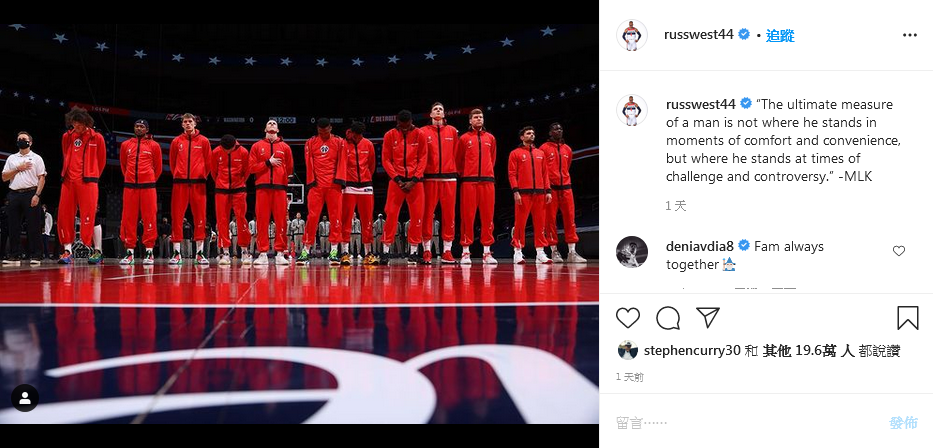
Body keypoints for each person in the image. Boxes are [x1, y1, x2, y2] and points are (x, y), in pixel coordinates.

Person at [58, 106, 106, 264]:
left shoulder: (97, 138)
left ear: (86, 122)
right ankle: (67, 251)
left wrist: (92, 175)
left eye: (79, 124)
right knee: (65, 215)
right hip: (68, 182)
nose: (76, 126)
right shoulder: (67, 137)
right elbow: (66, 155)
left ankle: (97, 251)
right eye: (74, 123)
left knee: (91, 215)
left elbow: (101, 161)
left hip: (88, 182)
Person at [381, 110, 428, 265]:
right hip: (396, 182)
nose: (405, 128)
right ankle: (385, 251)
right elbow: (386, 159)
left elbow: (423, 158)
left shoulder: (420, 134)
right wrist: (397, 179)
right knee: (391, 216)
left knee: (417, 217)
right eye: (402, 126)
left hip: (416, 182)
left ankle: (413, 252)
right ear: (398, 123)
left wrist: (414, 180)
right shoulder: (390, 135)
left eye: (407, 126)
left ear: (411, 122)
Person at [299, 118, 347, 266]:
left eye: (325, 131)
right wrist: (311, 182)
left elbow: (343, 161)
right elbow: (308, 163)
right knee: (312, 218)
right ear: (317, 130)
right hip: (316, 187)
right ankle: (305, 251)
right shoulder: (310, 142)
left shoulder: (339, 142)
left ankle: (334, 251)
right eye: (320, 132)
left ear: (330, 128)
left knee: (336, 217)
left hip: (334, 186)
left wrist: (340, 181)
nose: (323, 134)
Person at [540, 123, 586, 263]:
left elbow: (567, 166)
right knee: (550, 221)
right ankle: (554, 251)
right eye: (555, 129)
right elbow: (542, 170)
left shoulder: (568, 149)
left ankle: (572, 252)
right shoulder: (543, 148)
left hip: (566, 188)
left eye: (560, 129)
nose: (559, 131)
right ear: (550, 132)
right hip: (551, 190)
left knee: (570, 219)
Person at [169, 113, 212, 265]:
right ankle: (176, 253)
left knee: (200, 217)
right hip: (180, 184)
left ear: (195, 123)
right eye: (185, 122)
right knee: (177, 217)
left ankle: (199, 253)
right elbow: (172, 162)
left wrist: (201, 176)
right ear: (182, 124)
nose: (188, 124)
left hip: (198, 184)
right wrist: (178, 175)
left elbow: (208, 162)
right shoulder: (176, 141)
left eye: (190, 121)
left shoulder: (204, 141)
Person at [249, 119, 293, 266]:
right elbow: (251, 168)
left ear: (278, 130)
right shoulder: (256, 146)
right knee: (262, 221)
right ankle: (262, 253)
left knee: (281, 221)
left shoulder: (285, 147)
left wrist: (282, 179)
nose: (272, 124)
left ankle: (280, 253)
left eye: (274, 123)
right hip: (262, 188)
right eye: (269, 123)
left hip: (280, 189)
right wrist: (268, 163)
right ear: (265, 129)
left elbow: (290, 169)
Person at [419, 102, 459, 264]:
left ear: (444, 114)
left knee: (449, 215)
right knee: (427, 214)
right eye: (435, 109)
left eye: (440, 109)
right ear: (430, 114)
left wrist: (453, 169)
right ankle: (427, 250)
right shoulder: (422, 132)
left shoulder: (452, 131)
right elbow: (421, 154)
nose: (438, 111)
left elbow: (457, 152)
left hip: (449, 178)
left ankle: (447, 251)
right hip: (429, 178)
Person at [119, 119, 162, 265]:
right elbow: (123, 165)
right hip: (130, 187)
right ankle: (129, 252)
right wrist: (130, 178)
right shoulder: (125, 145)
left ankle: (149, 251)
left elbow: (158, 167)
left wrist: (149, 179)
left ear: (147, 130)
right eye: (137, 126)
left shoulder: (154, 146)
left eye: (142, 126)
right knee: (128, 219)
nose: (139, 128)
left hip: (148, 187)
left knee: (150, 218)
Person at [457, 109, 497, 264]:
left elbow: (492, 158)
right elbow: (458, 159)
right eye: (475, 117)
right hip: (469, 182)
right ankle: (465, 252)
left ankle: (487, 252)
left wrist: (487, 172)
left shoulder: (490, 138)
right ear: (470, 120)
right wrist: (467, 173)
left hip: (487, 181)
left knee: (488, 217)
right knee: (467, 217)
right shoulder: (464, 138)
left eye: (481, 117)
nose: (479, 119)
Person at [508, 126, 552, 264]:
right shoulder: (515, 153)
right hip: (523, 193)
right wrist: (516, 191)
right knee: (520, 224)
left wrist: (548, 191)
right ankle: (517, 251)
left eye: (533, 133)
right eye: (528, 133)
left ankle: (540, 252)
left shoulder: (540, 153)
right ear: (522, 137)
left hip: (540, 193)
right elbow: (512, 174)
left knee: (540, 224)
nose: (531, 135)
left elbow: (545, 174)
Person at [2, 131, 47, 265]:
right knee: (13, 226)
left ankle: (36, 255)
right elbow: (4, 177)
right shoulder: (12, 158)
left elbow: (42, 178)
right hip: (14, 193)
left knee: (33, 226)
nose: (21, 140)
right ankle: (14, 255)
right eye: (19, 138)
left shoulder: (37, 158)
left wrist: (37, 195)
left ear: (30, 142)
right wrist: (18, 168)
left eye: (24, 138)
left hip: (30, 193)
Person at [341, 121, 378, 265]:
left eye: (360, 135)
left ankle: (368, 253)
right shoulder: (344, 144)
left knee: (367, 220)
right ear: (351, 132)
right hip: (348, 186)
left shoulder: (368, 144)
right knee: (346, 220)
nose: (357, 137)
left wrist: (366, 177)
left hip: (366, 187)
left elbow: (372, 165)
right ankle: (344, 252)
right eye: (355, 135)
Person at [210, 134, 250, 265]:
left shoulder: (243, 152)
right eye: (224, 149)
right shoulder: (216, 152)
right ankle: (225, 252)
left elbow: (247, 171)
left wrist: (240, 183)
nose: (227, 151)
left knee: (241, 219)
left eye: (229, 150)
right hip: (221, 190)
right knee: (222, 220)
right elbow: (213, 172)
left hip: (239, 189)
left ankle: (244, 251)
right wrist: (221, 183)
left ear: (234, 145)